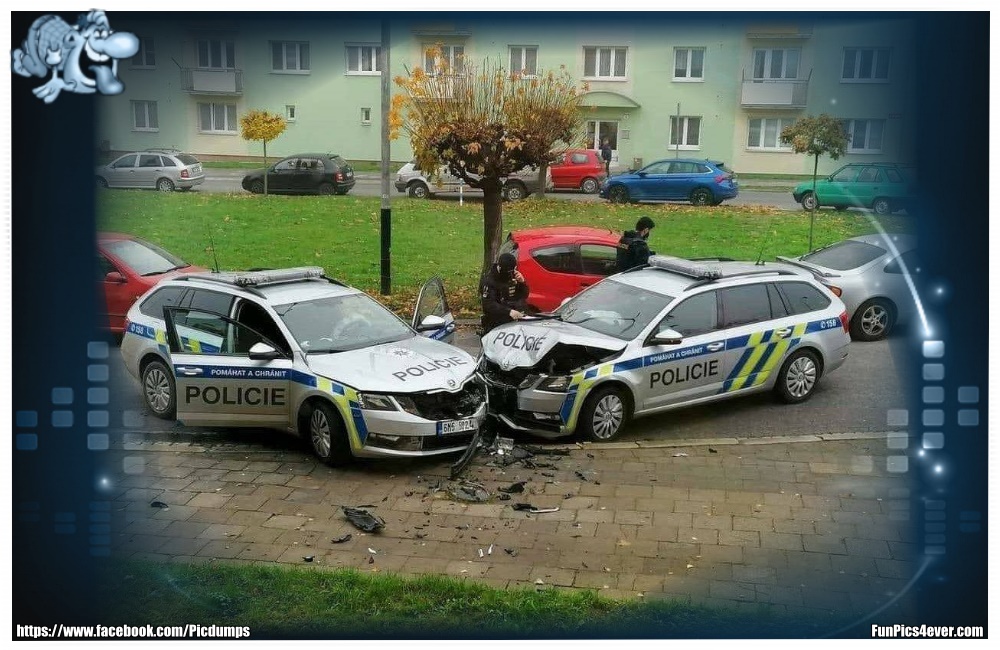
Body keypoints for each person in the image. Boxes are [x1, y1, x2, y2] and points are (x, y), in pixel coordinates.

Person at [480, 252, 530, 334]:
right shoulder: (489, 281)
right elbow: (489, 304)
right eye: (508, 272)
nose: (510, 275)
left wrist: (522, 283)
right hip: (496, 323)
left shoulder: (513, 275)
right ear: (499, 268)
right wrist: (509, 311)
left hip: (514, 320)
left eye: (513, 271)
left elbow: (523, 295)